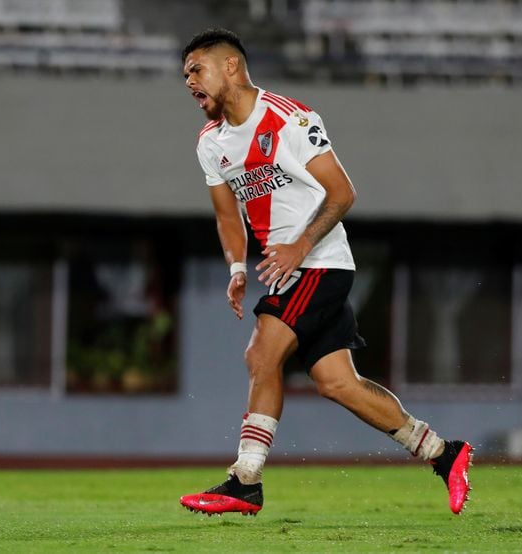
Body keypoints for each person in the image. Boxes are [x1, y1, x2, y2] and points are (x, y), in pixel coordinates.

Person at [178, 28, 472, 516]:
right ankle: (443, 453)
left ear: (231, 67)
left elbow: (343, 192)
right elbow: (228, 215)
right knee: (337, 383)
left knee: (260, 354)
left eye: (195, 69)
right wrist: (236, 266)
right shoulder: (211, 142)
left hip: (319, 263)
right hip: (287, 269)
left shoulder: (291, 118)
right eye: (185, 74)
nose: (188, 81)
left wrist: (300, 245)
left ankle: (245, 479)